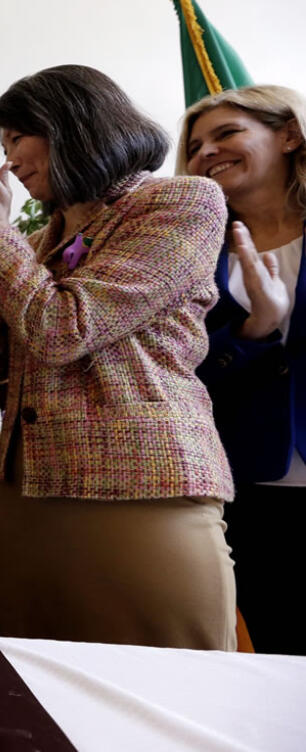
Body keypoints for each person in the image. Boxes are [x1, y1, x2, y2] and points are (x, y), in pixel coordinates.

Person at [0, 65, 236, 650]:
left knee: (172, 698)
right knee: (41, 701)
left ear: (72, 123)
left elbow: (62, 329)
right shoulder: (38, 241)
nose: (9, 163)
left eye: (18, 140)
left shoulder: (181, 202)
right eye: (2, 147)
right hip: (26, 497)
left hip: (143, 492)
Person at [180, 85, 306, 655]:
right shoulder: (190, 256)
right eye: (195, 145)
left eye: (226, 133)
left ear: (289, 134)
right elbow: (184, 379)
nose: (206, 151)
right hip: (251, 490)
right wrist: (257, 329)